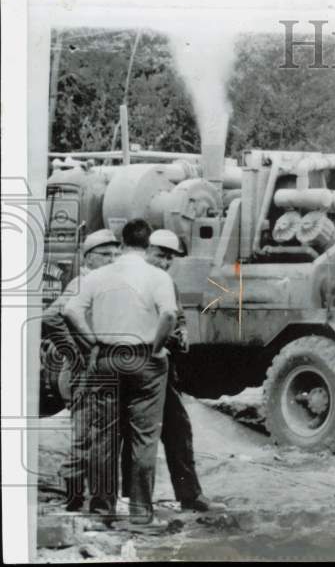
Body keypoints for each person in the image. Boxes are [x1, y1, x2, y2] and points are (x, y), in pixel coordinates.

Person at [62, 219, 177, 532]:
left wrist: (92, 341)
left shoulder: (98, 276)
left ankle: (102, 510)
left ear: (122, 242)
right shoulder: (157, 276)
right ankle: (140, 514)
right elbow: (168, 313)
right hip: (145, 360)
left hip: (107, 358)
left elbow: (70, 311)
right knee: (144, 438)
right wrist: (156, 347)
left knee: (104, 436)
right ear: (147, 242)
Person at [121, 229, 224, 512]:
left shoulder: (166, 282)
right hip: (135, 364)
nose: (165, 262)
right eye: (160, 255)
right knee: (134, 434)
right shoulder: (130, 279)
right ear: (146, 251)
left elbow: (176, 316)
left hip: (163, 369)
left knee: (178, 429)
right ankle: (130, 498)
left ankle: (190, 495)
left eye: (169, 258)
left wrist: (182, 332)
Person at [42, 229, 119, 512]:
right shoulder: (82, 282)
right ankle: (72, 500)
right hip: (79, 374)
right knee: (84, 439)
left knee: (94, 438)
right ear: (88, 258)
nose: (112, 259)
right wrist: (76, 355)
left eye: (115, 254)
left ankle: (80, 499)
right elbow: (51, 317)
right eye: (105, 255)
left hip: (95, 372)